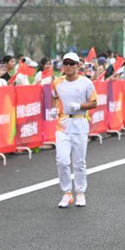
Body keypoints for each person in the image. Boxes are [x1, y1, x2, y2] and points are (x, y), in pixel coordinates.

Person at [51, 52, 98, 207]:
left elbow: (93, 103)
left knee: (79, 161)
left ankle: (80, 192)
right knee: (62, 161)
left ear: (78, 65)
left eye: (72, 63)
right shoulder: (57, 82)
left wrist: (79, 106)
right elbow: (54, 97)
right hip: (63, 124)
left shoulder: (86, 83)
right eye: (66, 63)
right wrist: (53, 109)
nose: (69, 66)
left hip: (80, 122)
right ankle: (66, 193)